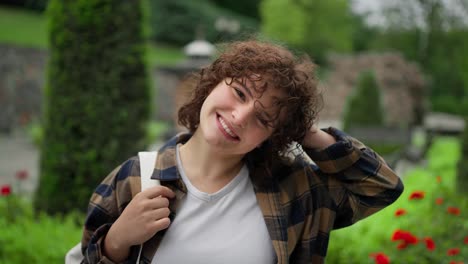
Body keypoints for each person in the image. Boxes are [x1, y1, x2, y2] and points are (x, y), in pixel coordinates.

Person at [81, 40, 404, 264]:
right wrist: (116, 242)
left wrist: (304, 132)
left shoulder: (297, 190)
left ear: (272, 136)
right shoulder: (135, 176)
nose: (239, 117)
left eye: (263, 119)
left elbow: (380, 187)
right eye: (239, 92)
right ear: (213, 82)